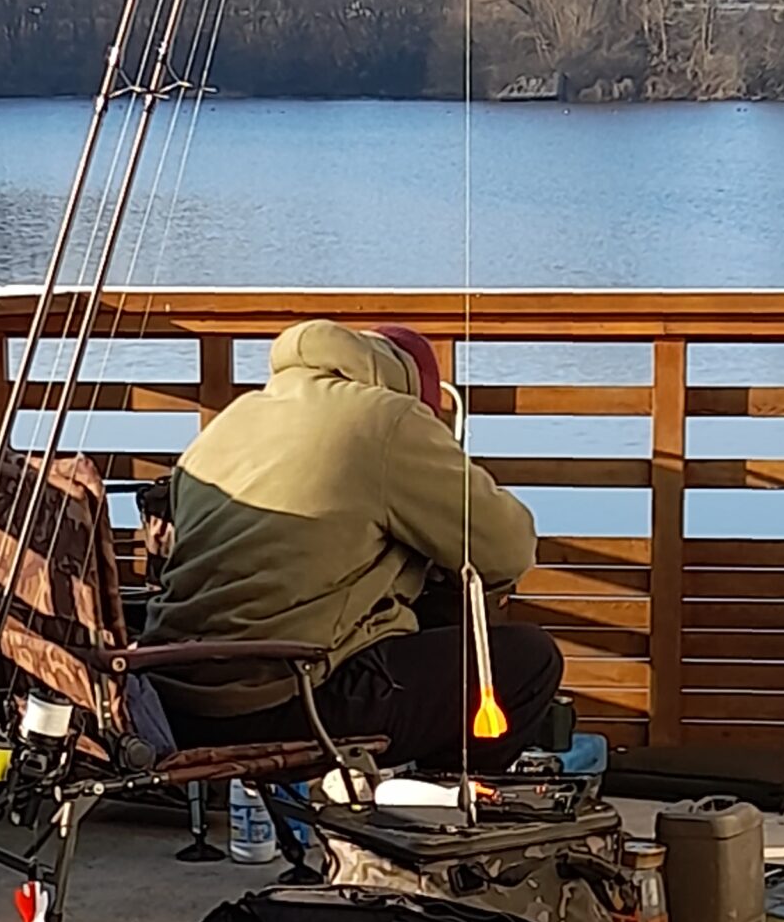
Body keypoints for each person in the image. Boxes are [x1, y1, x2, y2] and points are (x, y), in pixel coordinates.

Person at [142, 319, 561, 772]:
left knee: (430, 612)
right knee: (527, 662)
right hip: (283, 701)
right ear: (414, 389)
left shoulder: (234, 419)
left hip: (171, 698)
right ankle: (439, 800)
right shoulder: (388, 418)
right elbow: (506, 551)